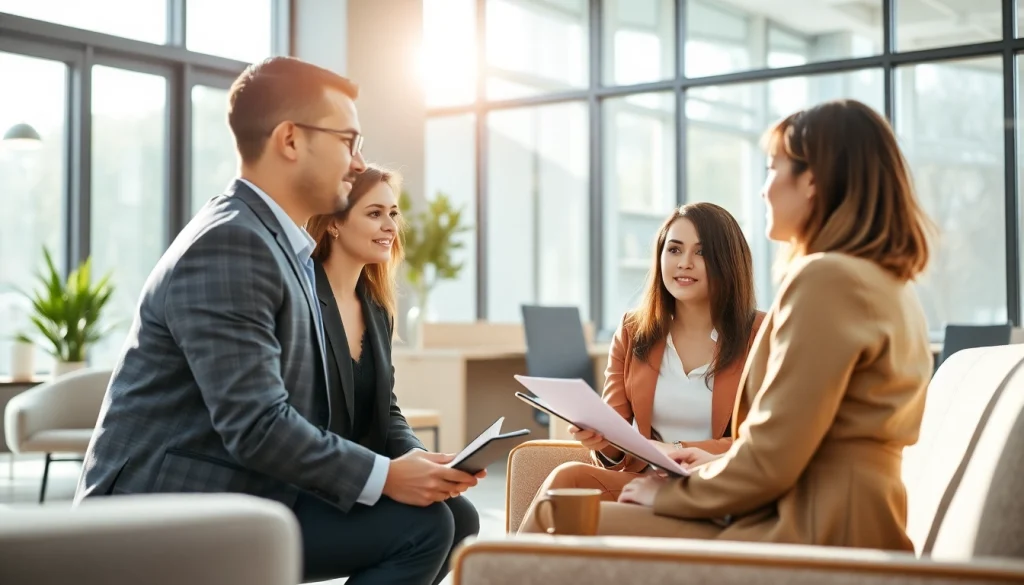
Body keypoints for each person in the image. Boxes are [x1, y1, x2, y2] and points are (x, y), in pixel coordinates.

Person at [74, 56, 481, 585]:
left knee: (454, 517)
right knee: (421, 528)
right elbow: (256, 425)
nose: (358, 162)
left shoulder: (278, 246)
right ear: (290, 140)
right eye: (348, 141)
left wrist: (416, 468)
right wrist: (385, 477)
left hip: (244, 488)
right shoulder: (231, 244)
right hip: (165, 507)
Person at [573, 99, 935, 551]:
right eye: (675, 249)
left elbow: (771, 457)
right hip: (839, 520)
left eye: (772, 169)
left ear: (811, 181)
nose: (764, 191)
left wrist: (672, 493)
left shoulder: (828, 279)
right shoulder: (888, 284)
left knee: (563, 518)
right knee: (573, 497)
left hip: (813, 531)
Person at [519, 202, 765, 533]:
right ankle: (503, 562)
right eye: (674, 249)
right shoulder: (633, 330)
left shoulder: (762, 335)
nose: (684, 262)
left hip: (717, 485)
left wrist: (676, 450)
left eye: (702, 252)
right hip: (648, 481)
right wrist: (599, 440)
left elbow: (765, 443)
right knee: (568, 478)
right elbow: (616, 445)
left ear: (728, 261)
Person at [305, 164, 480, 585]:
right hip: (303, 486)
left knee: (463, 519)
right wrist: (386, 476)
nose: (390, 226)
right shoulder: (301, 299)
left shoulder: (375, 307)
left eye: (393, 213)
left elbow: (387, 409)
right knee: (430, 526)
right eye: (374, 213)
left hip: (349, 482)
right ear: (334, 223)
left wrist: (421, 462)